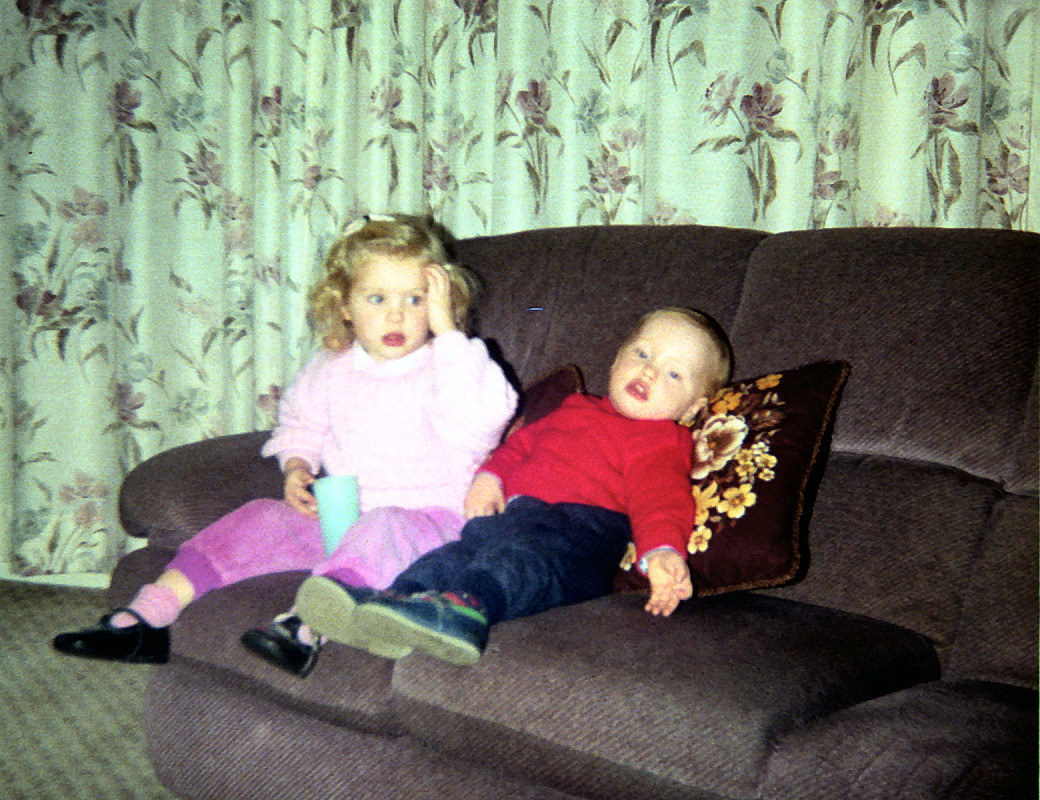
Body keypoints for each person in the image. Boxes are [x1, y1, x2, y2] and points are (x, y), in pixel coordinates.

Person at [52, 214, 518, 676]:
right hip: (342, 516)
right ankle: (150, 616)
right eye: (377, 298)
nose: (396, 315)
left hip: (428, 525)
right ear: (345, 306)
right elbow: (301, 424)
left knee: (381, 528)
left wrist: (450, 334)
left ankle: (306, 625)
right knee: (259, 517)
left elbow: (484, 423)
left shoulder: (452, 365)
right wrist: (297, 466)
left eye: (415, 299)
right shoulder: (331, 367)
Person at [293, 307, 733, 666]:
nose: (650, 372)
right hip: (514, 517)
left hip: (578, 536)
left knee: (517, 561)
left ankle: (466, 609)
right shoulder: (575, 407)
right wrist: (490, 476)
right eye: (642, 354)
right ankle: (390, 604)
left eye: (674, 374)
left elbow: (662, 499)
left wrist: (662, 552)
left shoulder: (661, 439)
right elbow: (519, 446)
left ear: (694, 407)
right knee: (453, 554)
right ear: (618, 358)